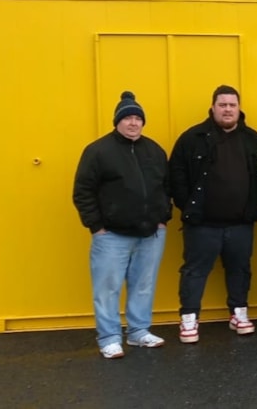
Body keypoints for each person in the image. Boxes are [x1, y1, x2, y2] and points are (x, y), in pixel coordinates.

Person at [169, 85, 257, 344]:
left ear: (239, 108)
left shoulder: (253, 139)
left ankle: (239, 313)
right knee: (194, 272)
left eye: (232, 105)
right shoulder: (192, 138)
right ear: (213, 107)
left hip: (240, 224)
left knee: (240, 269)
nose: (228, 109)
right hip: (202, 224)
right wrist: (189, 207)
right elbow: (176, 177)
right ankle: (189, 318)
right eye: (222, 105)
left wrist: (254, 209)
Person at [72, 91, 171, 359]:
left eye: (138, 118)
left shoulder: (154, 150)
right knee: (107, 287)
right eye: (127, 117)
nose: (133, 123)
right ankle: (109, 338)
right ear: (117, 121)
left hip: (150, 233)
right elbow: (83, 191)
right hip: (111, 236)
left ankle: (139, 332)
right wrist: (96, 226)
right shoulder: (98, 151)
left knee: (143, 284)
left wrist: (163, 219)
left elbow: (166, 186)